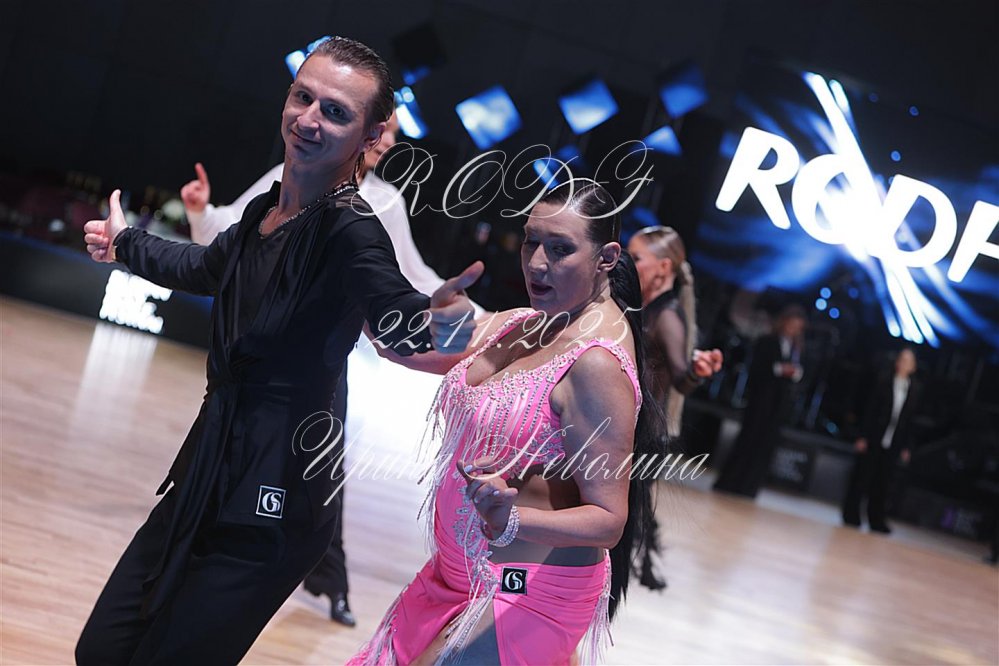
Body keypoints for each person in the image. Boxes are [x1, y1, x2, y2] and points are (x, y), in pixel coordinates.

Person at [76, 36, 479, 664]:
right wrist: (125, 244)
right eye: (303, 98)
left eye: (335, 112)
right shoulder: (267, 208)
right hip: (210, 467)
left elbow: (398, 319)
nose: (309, 119)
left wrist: (446, 323)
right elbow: (205, 266)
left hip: (276, 500)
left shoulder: (352, 228)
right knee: (102, 649)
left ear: (371, 135)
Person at [347, 181, 669, 665]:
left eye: (560, 249)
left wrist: (511, 518)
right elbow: (397, 346)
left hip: (524, 592)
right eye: (531, 241)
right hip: (453, 575)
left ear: (606, 258)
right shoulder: (524, 322)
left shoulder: (596, 365)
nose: (537, 262)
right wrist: (432, 320)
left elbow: (608, 521)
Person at [179, 112, 472, 626]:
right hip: (257, 355)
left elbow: (413, 277)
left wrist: (473, 313)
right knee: (229, 455)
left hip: (323, 364)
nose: (389, 141)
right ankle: (196, 558)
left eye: (394, 134)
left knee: (319, 474)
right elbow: (230, 234)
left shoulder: (384, 203)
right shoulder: (289, 179)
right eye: (384, 129)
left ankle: (330, 581)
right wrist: (201, 211)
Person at [627, 226, 722, 590]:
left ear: (663, 267)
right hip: (630, 428)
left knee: (624, 516)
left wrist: (698, 371)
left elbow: (682, 378)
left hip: (644, 435)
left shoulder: (667, 315)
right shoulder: (646, 307)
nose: (627, 264)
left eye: (636, 258)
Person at [713, 305, 806, 498]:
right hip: (760, 401)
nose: (794, 330)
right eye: (792, 325)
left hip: (779, 405)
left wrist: (794, 373)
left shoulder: (796, 349)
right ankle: (729, 483)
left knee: (765, 446)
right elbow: (757, 369)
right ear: (784, 323)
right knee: (748, 440)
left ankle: (749, 487)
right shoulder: (767, 341)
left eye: (798, 327)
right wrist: (779, 370)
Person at [842, 348, 922, 534]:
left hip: (895, 439)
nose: (904, 364)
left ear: (913, 367)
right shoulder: (883, 381)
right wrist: (862, 436)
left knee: (883, 481)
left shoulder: (915, 389)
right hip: (874, 436)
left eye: (908, 361)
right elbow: (870, 410)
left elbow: (911, 420)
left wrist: (907, 446)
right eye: (902, 359)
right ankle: (851, 514)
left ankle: (876, 518)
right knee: (862, 476)